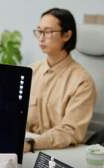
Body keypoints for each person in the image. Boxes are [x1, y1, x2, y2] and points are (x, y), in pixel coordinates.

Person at [24, 8, 97, 152]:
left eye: (48, 32)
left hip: (61, 151)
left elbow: (70, 131)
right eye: (39, 31)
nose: (41, 38)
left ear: (67, 35)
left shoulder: (82, 81)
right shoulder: (31, 71)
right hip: (28, 146)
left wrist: (32, 143)